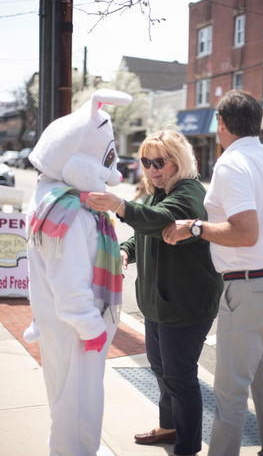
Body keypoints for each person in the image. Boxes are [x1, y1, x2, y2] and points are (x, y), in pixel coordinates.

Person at [163, 90, 263, 456]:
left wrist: (195, 227)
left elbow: (245, 231)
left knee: (230, 389)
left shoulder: (229, 164)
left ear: (221, 124)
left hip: (251, 285)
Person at [87, 129, 223, 456]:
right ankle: (169, 427)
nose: (152, 169)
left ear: (178, 161)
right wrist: (124, 251)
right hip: (157, 304)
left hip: (185, 306)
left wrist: (120, 205)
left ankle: (187, 448)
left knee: (180, 378)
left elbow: (159, 220)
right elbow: (144, 233)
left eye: (160, 162)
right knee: (162, 371)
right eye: (147, 162)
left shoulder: (189, 192)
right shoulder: (154, 192)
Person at [24, 89, 131, 456]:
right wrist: (92, 328)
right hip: (76, 331)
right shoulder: (67, 214)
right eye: (104, 161)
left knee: (66, 402)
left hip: (60, 325)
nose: (113, 175)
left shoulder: (50, 198)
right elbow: (69, 284)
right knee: (79, 409)